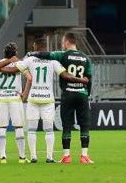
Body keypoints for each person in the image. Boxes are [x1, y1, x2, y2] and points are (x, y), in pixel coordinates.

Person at [30, 32, 93, 163]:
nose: (62, 44)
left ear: (68, 42)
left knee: (67, 126)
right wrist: (88, 94)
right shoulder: (86, 58)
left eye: (63, 41)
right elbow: (89, 79)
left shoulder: (63, 55)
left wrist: (32, 54)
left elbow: (46, 55)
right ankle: (84, 156)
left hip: (68, 94)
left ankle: (66, 156)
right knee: (84, 125)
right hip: (82, 94)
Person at [20, 39, 75, 162]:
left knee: (32, 129)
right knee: (49, 130)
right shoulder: (53, 60)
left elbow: (17, 67)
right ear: (46, 47)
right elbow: (64, 74)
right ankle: (49, 157)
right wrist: (79, 79)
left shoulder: (29, 59)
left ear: (36, 46)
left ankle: (33, 157)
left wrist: (26, 71)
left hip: (33, 98)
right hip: (48, 99)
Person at [0, 42, 29, 163]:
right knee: (19, 127)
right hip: (15, 98)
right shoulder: (19, 63)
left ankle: (3, 157)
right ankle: (22, 158)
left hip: (3, 98)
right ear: (15, 52)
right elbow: (29, 78)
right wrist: (24, 94)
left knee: (2, 127)